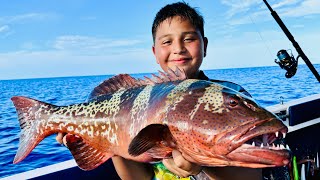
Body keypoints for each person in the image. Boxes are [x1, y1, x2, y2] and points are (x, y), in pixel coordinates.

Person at [57, 2, 262, 179]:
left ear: (204, 45)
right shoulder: (142, 100)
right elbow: (138, 178)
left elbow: (252, 177)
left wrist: (201, 164)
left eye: (189, 38)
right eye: (167, 41)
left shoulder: (231, 95)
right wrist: (105, 140)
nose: (178, 48)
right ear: (155, 52)